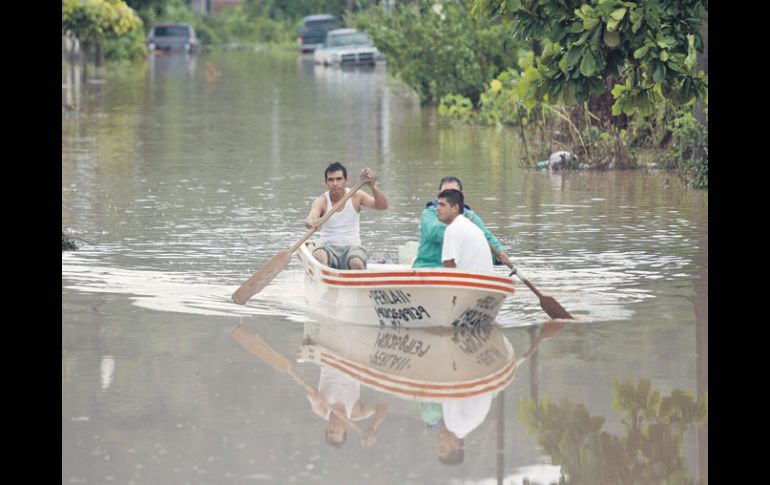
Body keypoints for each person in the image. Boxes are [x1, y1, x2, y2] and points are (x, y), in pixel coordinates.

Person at [412, 176, 511, 269]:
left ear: (461, 195)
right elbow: (435, 231)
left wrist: (500, 252)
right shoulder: (429, 213)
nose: (448, 196)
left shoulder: (470, 216)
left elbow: (487, 237)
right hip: (428, 266)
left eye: (452, 192)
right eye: (445, 193)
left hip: (459, 270)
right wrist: (462, 228)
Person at [305, 162, 388, 269]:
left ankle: (358, 281)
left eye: (339, 179)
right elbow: (309, 219)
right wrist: (312, 223)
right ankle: (327, 279)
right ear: (326, 183)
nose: (335, 183)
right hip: (328, 248)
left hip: (352, 248)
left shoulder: (357, 196)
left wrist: (373, 186)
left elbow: (382, 206)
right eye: (331, 180)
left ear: (346, 180)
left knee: (356, 263)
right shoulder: (321, 201)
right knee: (319, 257)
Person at [306, 365, 389, 447]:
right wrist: (373, 427)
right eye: (338, 431)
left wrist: (313, 396)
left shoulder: (321, 410)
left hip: (330, 361)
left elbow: (310, 391)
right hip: (353, 364)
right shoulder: (356, 413)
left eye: (331, 431)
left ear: (326, 427)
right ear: (346, 429)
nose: (335, 428)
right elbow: (382, 405)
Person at [436, 189, 494, 272]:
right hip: (484, 281)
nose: (438, 208)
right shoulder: (472, 227)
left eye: (442, 205)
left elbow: (448, 269)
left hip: (470, 283)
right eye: (438, 205)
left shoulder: (452, 229)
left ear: (455, 208)